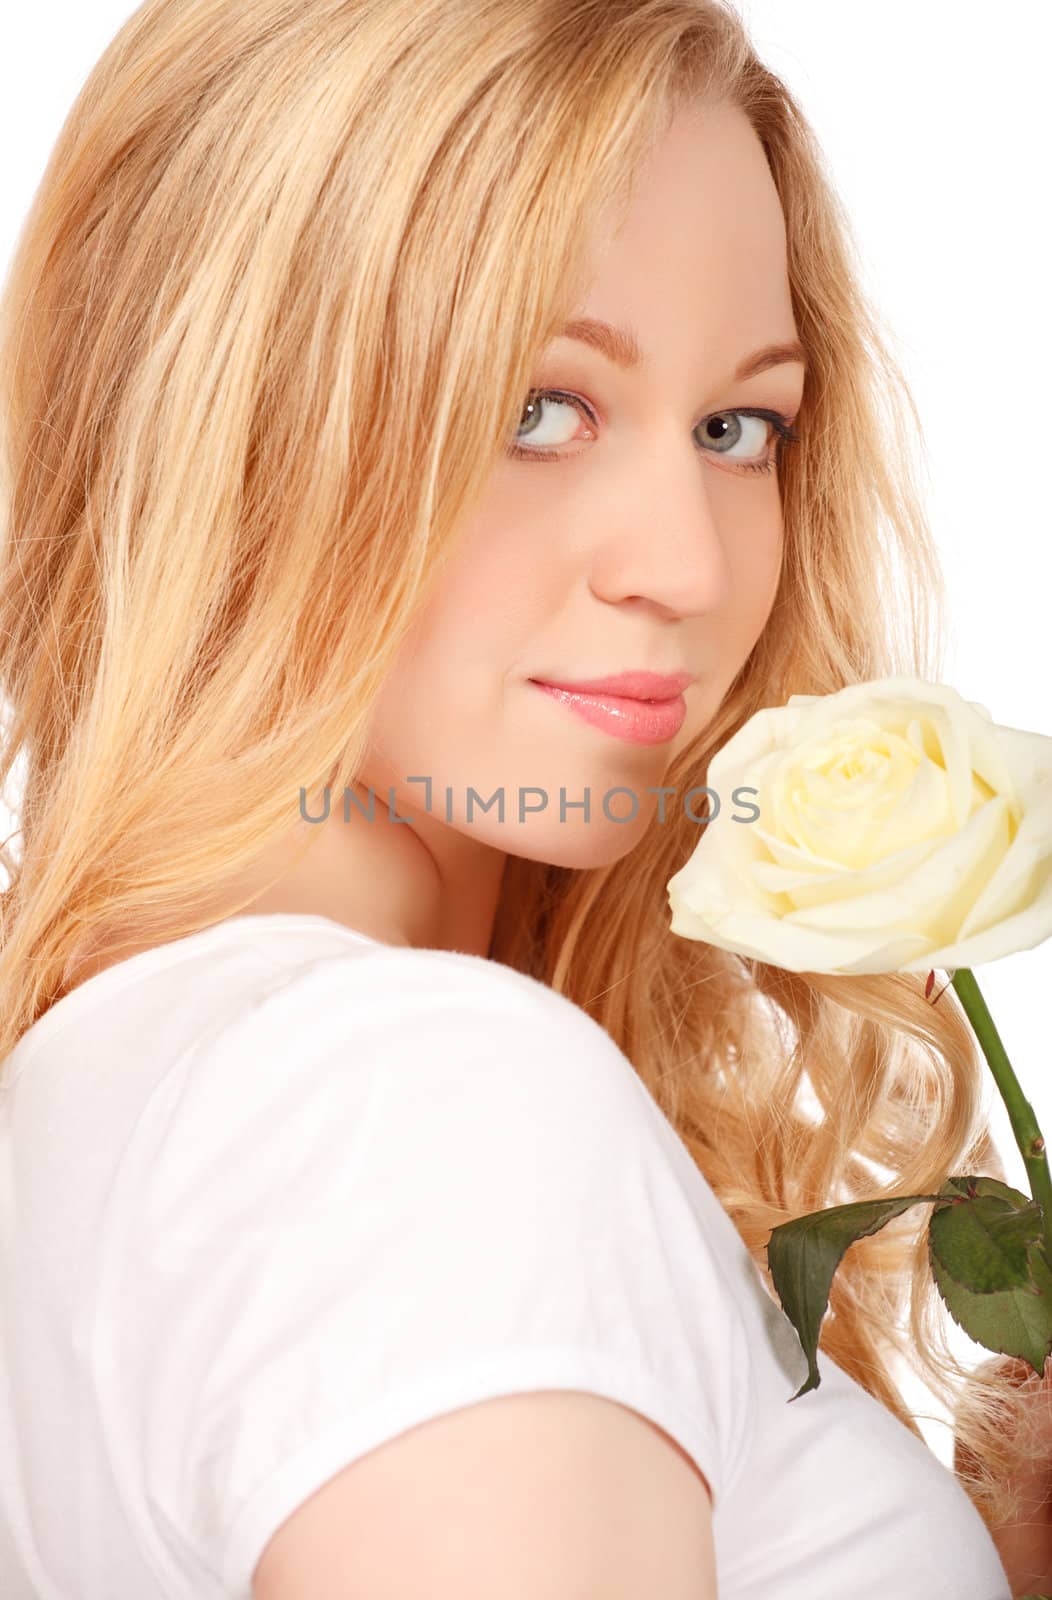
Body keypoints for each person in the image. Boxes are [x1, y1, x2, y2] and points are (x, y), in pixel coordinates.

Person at [0, 1, 1044, 1595]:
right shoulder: (418, 1102)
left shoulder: (110, 1089)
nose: (688, 567)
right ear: (217, 412)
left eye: (737, 427)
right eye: (535, 409)